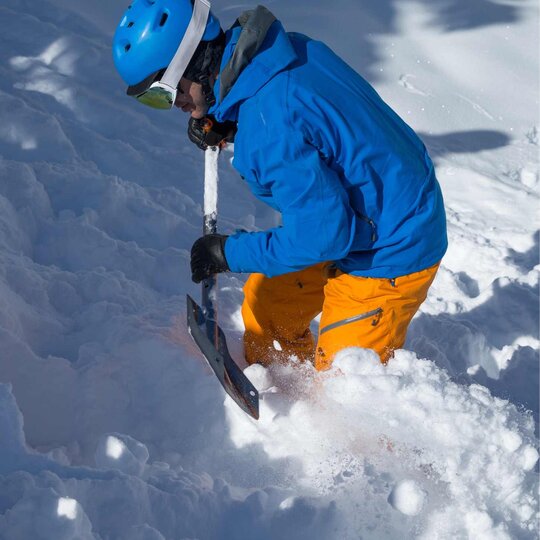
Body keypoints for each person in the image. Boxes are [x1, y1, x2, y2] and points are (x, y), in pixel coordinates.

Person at [113, 0, 447, 370]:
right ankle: (283, 400)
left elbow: (322, 236)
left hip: (392, 244)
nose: (171, 105)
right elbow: (306, 127)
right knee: (267, 313)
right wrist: (228, 120)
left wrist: (228, 253)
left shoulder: (270, 126)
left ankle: (327, 420)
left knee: (346, 387)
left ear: (192, 63)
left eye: (163, 92)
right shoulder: (278, 54)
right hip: (367, 206)